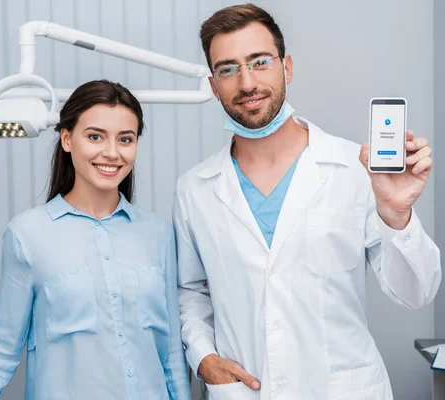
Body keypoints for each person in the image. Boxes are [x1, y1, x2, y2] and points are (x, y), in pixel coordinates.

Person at [173, 4, 441, 400]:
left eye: (259, 61)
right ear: (214, 86)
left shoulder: (355, 169)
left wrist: (397, 214)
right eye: (228, 69)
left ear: (288, 68)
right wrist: (203, 357)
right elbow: (192, 291)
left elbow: (416, 293)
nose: (247, 82)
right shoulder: (195, 189)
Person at [0, 80, 191, 400]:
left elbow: (170, 356)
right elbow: (0, 350)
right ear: (67, 138)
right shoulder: (28, 235)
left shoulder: (159, 235)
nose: (111, 152)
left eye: (125, 139)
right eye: (95, 136)